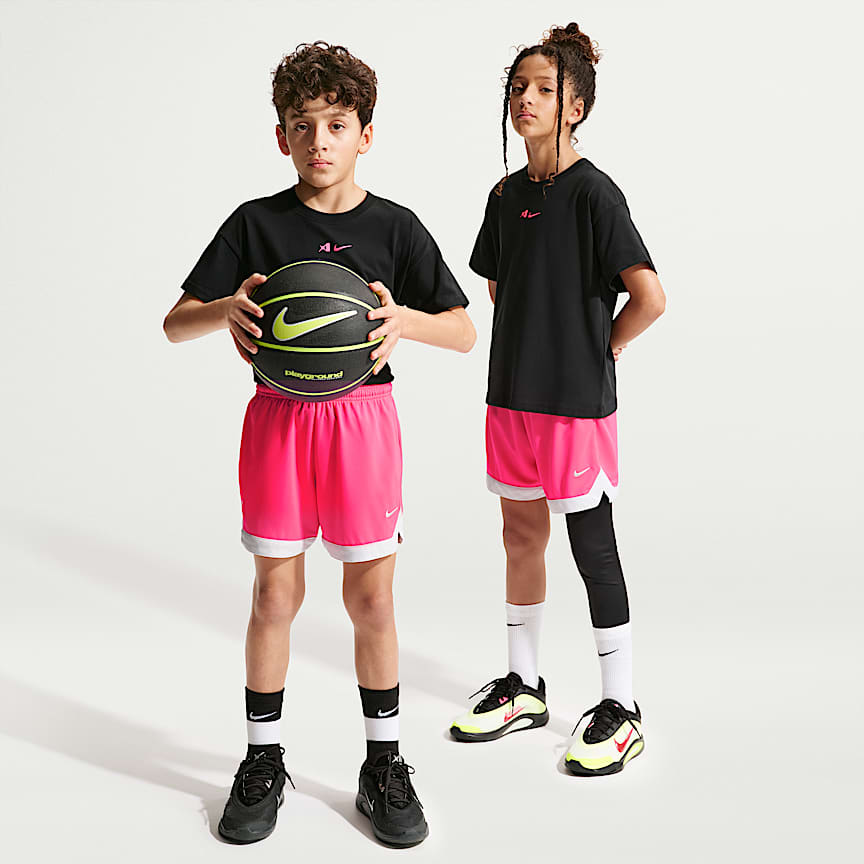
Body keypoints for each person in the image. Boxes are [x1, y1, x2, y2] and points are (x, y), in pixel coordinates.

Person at [164, 41, 475, 846]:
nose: (319, 141)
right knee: (274, 597)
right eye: (302, 126)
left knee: (372, 600)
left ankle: (383, 765)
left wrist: (405, 322)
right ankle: (262, 760)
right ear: (281, 137)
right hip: (277, 419)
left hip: (363, 422)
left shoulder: (396, 227)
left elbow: (463, 330)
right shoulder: (256, 223)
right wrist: (224, 311)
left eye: (336, 124)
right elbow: (175, 323)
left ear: (366, 134)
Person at [449, 22, 665, 777]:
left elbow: (649, 297)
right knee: (520, 536)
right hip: (511, 397)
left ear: (576, 107)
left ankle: (621, 706)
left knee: (591, 543)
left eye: (545, 89)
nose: (527, 100)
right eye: (519, 88)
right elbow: (500, 287)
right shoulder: (505, 196)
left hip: (575, 406)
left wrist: (602, 347)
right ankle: (525, 686)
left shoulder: (596, 195)